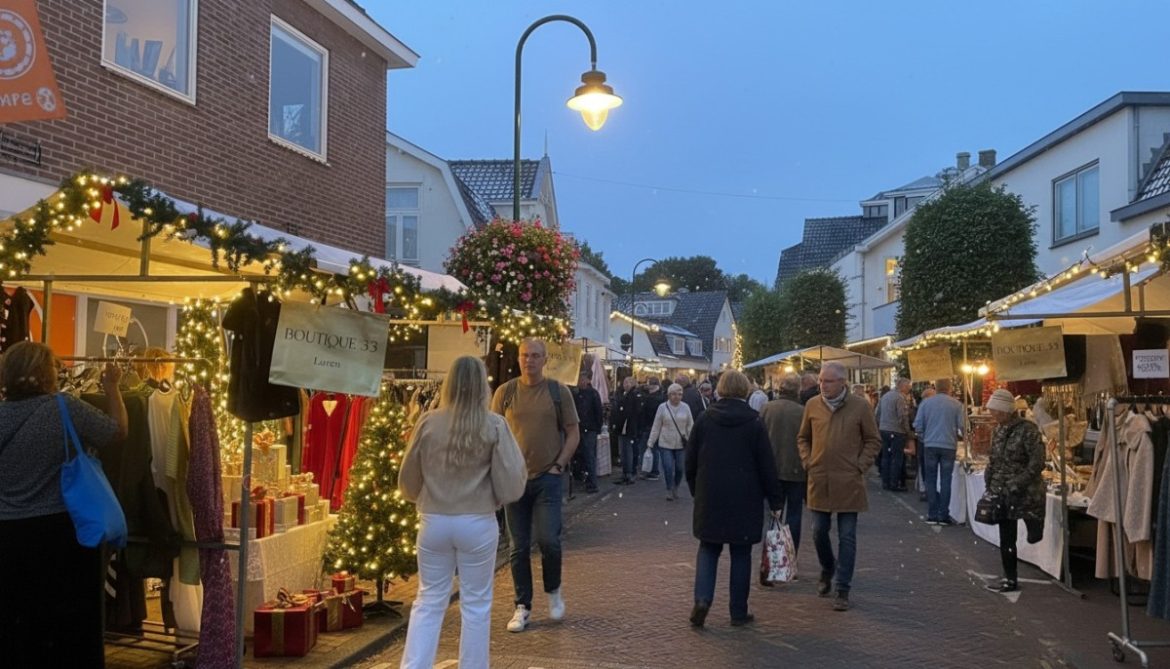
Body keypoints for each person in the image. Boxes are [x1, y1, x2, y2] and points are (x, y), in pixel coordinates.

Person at [0, 342, 128, 667]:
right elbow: (116, 432)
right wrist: (112, 387)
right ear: (47, 373)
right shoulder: (63, 408)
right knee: (70, 624)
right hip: (62, 534)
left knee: (17, 621)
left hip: (8, 535)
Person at [399, 356, 527, 668]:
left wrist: (424, 497)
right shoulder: (494, 424)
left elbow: (408, 479)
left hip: (434, 519)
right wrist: (496, 496)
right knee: (476, 604)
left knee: (428, 600)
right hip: (477, 520)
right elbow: (512, 482)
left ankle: (414, 665)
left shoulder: (428, 421)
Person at [491, 339, 580, 633]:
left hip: (547, 479)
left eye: (535, 356)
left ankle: (553, 590)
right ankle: (522, 606)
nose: (529, 360)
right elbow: (494, 435)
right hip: (514, 480)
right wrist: (497, 476)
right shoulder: (505, 392)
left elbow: (572, 433)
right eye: (524, 355)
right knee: (517, 547)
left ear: (545, 360)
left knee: (549, 540)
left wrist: (559, 466)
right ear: (518, 359)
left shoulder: (558, 392)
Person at [685, 371, 783, 627]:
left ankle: (703, 599)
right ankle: (738, 611)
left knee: (708, 549)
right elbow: (766, 465)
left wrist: (697, 489)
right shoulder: (754, 422)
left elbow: (690, 459)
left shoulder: (705, 419)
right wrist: (775, 500)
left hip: (711, 495)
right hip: (745, 497)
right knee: (741, 554)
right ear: (745, 391)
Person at [797, 362, 881, 612]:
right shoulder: (812, 405)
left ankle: (842, 587)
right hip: (819, 478)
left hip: (848, 481)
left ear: (843, 382)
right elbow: (803, 437)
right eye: (821, 381)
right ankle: (827, 568)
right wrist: (808, 460)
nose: (823, 385)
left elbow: (873, 440)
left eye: (828, 381)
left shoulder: (860, 406)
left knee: (847, 536)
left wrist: (860, 465)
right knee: (818, 531)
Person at [982, 389, 1045, 593]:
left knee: (1031, 531)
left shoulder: (1028, 430)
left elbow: (1037, 462)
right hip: (1002, 491)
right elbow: (994, 457)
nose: (992, 414)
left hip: (1023, 491)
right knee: (1006, 536)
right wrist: (990, 479)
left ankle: (1035, 524)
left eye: (996, 411)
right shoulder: (998, 431)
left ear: (1006, 411)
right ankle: (1010, 579)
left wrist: (1018, 482)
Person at [759, 373, 807, 568]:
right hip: (796, 470)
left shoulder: (766, 409)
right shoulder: (803, 411)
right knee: (794, 515)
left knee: (772, 515)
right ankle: (789, 558)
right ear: (798, 390)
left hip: (770, 470)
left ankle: (770, 560)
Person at [913, 379, 965, 525]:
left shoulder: (926, 403)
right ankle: (943, 514)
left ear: (936, 387)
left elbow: (917, 425)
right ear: (949, 388)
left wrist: (924, 437)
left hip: (930, 444)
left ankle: (932, 513)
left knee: (930, 479)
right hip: (948, 445)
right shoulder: (956, 404)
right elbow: (962, 426)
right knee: (945, 480)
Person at [647, 383, 694, 501]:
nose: (677, 397)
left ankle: (676, 486)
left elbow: (690, 425)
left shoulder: (686, 407)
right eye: (673, 394)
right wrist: (650, 443)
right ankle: (669, 488)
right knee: (667, 467)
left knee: (679, 468)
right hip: (665, 442)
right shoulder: (662, 407)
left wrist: (692, 441)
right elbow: (656, 426)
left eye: (679, 394)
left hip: (681, 443)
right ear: (668, 395)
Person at [570, 369, 603, 493]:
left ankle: (592, 483)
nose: (580, 382)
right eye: (579, 379)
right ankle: (581, 477)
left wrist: (597, 428)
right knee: (579, 455)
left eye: (582, 379)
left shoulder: (593, 394)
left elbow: (598, 412)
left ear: (588, 380)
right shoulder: (576, 394)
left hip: (589, 430)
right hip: (579, 429)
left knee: (589, 456)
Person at [876, 378, 912, 491]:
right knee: (897, 458)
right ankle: (894, 483)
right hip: (896, 431)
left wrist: (880, 426)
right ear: (903, 387)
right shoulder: (900, 398)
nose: (909, 390)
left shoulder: (885, 396)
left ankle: (885, 482)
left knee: (886, 457)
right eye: (908, 388)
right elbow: (903, 417)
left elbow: (877, 414)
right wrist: (908, 431)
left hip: (884, 430)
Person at [613, 376, 643, 485]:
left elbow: (633, 413)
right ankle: (626, 473)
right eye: (624, 382)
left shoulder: (633, 395)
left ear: (633, 383)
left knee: (627, 451)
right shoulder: (626, 395)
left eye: (628, 382)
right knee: (624, 451)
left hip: (628, 428)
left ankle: (628, 473)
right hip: (625, 427)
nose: (625, 385)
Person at [637, 377, 665, 481]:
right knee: (654, 449)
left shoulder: (650, 398)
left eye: (648, 384)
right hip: (656, 426)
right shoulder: (661, 397)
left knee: (646, 449)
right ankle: (654, 471)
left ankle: (649, 471)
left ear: (652, 385)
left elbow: (644, 413)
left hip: (648, 426)